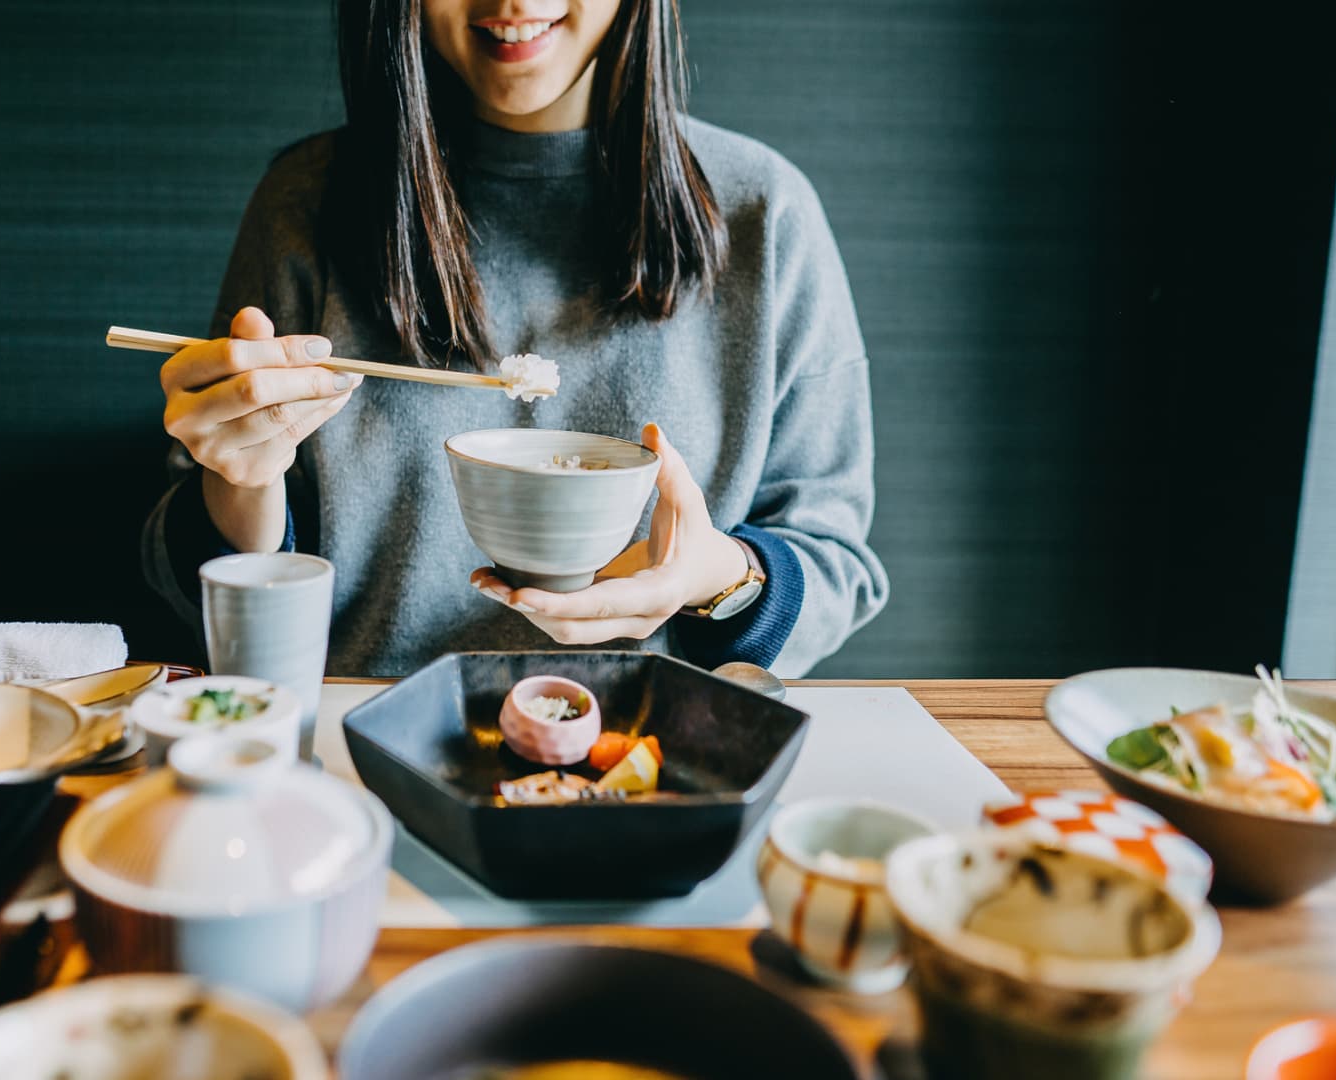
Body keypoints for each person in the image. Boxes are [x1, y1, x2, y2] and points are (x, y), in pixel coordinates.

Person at [143, 0, 887, 676]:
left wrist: (719, 579)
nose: (513, 5)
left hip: (658, 762)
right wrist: (240, 481)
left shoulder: (764, 211)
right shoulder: (307, 204)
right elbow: (181, 582)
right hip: (354, 749)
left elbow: (836, 569)